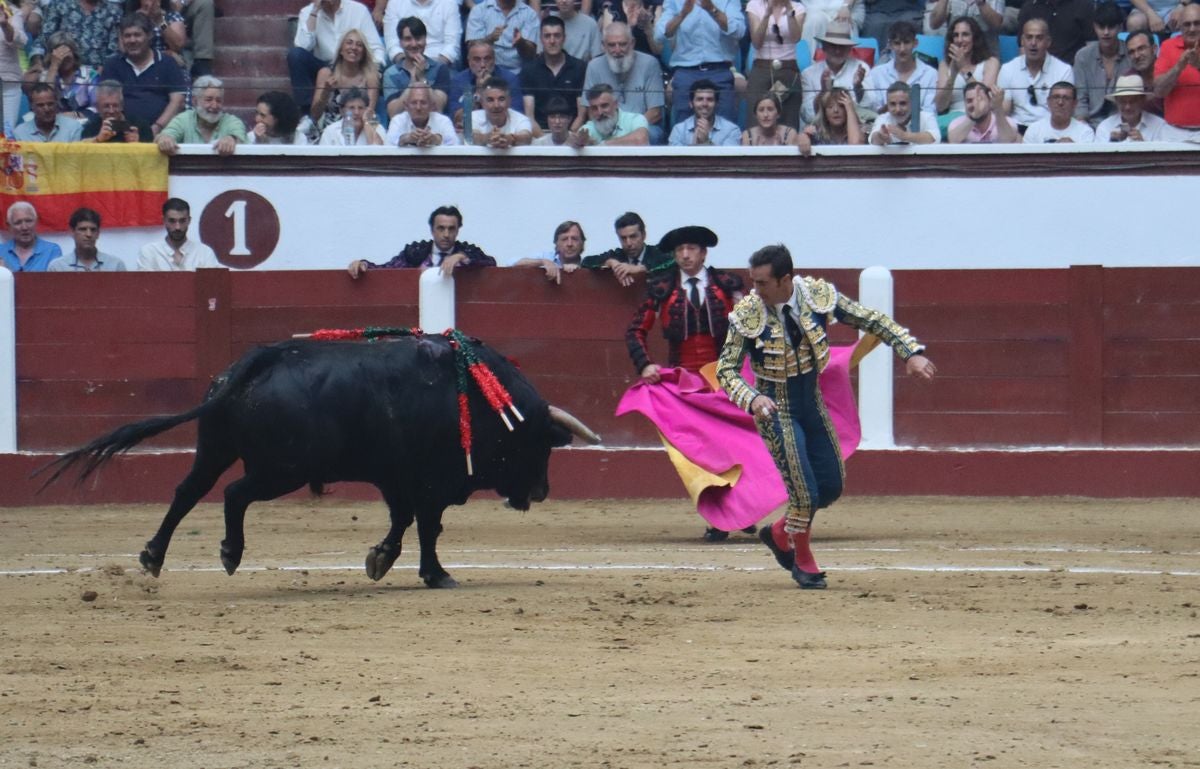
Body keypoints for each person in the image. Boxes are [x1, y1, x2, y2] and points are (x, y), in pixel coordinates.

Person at [717, 243, 935, 589]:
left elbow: (871, 319)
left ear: (785, 279)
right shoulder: (747, 314)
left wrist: (910, 352)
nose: (755, 290)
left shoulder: (816, 296)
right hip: (775, 408)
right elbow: (726, 370)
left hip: (811, 401)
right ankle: (803, 560)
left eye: (762, 283)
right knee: (804, 493)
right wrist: (752, 397)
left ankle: (779, 532)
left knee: (829, 487)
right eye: (753, 281)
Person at [624, 224, 746, 541]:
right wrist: (645, 364)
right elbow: (635, 331)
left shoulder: (728, 285)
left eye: (691, 249)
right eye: (680, 250)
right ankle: (721, 518)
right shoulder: (662, 288)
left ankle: (741, 509)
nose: (685, 254)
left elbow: (751, 328)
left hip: (725, 381)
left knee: (735, 448)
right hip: (685, 387)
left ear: (703, 253)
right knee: (701, 453)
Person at [654, 0, 746, 125]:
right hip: (686, 71)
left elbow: (739, 31)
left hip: (719, 69)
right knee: (684, 127)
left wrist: (712, 9)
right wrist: (682, 15)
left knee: (725, 125)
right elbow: (660, 35)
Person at [347, 205, 497, 278]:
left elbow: (490, 263)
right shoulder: (416, 253)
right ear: (432, 230)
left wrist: (461, 256)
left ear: (458, 231)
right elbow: (387, 270)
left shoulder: (468, 252)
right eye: (441, 228)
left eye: (451, 229)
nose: (446, 234)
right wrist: (363, 264)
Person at [288, 0, 385, 114]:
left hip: (354, 65)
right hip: (324, 66)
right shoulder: (307, 12)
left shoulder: (358, 10)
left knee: (373, 73)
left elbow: (376, 48)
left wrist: (373, 70)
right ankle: (306, 114)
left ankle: (367, 115)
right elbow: (303, 46)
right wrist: (314, 12)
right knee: (296, 55)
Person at [98, 11, 186, 134]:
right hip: (121, 133)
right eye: (127, 36)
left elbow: (178, 101)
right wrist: (127, 131)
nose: (132, 40)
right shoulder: (112, 65)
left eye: (137, 35)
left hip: (162, 133)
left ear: (149, 36)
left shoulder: (167, 63)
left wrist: (156, 128)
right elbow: (106, 103)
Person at [583, 22, 666, 144]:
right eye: (611, 45)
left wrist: (624, 135)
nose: (617, 50)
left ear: (632, 43)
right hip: (605, 127)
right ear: (603, 46)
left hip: (641, 127)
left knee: (651, 134)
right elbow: (590, 109)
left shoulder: (650, 64)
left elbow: (655, 113)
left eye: (622, 44)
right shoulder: (594, 66)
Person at [997, 17, 1073, 133]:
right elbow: (1005, 111)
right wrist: (996, 104)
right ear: (1022, 41)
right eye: (1029, 37)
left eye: (1039, 38)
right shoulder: (1008, 69)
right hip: (1017, 129)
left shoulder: (1064, 70)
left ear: (1048, 42)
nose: (1033, 43)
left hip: (1051, 128)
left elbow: (1064, 111)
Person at [520, 15, 587, 132]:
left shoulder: (579, 68)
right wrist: (543, 140)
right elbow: (529, 117)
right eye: (547, 36)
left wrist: (568, 138)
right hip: (539, 133)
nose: (552, 41)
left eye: (557, 36)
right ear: (541, 39)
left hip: (572, 133)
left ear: (564, 38)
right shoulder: (529, 70)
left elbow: (581, 116)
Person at [745, 0, 805, 130]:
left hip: (788, 69)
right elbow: (756, 42)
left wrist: (789, 11)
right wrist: (767, 14)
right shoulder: (754, 5)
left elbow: (796, 38)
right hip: (762, 68)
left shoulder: (798, 8)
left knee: (789, 122)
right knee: (755, 121)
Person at [799, 21, 871, 125]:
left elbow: (870, 108)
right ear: (824, 47)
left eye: (842, 46)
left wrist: (858, 87)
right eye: (833, 46)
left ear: (849, 49)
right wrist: (823, 92)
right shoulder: (809, 74)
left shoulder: (861, 67)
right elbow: (808, 115)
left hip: (855, 126)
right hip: (821, 129)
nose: (837, 51)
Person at [156, 74, 248, 155]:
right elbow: (164, 136)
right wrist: (165, 139)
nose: (214, 105)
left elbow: (239, 137)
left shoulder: (231, 121)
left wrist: (231, 139)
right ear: (195, 101)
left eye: (218, 100)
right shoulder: (184, 119)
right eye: (209, 100)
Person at [933, 16, 999, 127]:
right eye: (956, 35)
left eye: (965, 34)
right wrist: (952, 76)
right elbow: (940, 106)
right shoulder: (944, 65)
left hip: (981, 118)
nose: (959, 40)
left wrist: (963, 68)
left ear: (975, 38)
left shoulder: (990, 62)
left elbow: (985, 99)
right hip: (953, 120)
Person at [381, 15, 450, 120]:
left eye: (418, 38)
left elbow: (438, 108)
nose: (413, 44)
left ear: (425, 40)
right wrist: (412, 83)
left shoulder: (440, 69)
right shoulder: (390, 73)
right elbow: (393, 114)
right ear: (400, 42)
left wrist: (422, 79)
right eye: (408, 39)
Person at [312, 28, 381, 133]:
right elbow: (315, 115)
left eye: (359, 45)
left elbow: (369, 114)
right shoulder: (326, 73)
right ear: (341, 50)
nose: (354, 47)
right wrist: (325, 92)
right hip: (329, 131)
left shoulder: (370, 76)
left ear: (363, 52)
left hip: (360, 130)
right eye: (349, 43)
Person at [1072, 2, 1129, 128]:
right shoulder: (1083, 56)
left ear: (1120, 27)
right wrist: (1082, 126)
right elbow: (1080, 98)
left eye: (1111, 27)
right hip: (1089, 123)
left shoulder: (1130, 54)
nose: (1106, 32)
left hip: (1123, 121)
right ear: (1094, 27)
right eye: (1101, 27)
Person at [447, 39, 524, 131]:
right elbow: (457, 119)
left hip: (503, 130)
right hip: (469, 131)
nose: (483, 65)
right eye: (477, 59)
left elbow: (516, 115)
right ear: (469, 61)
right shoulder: (459, 81)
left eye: (487, 59)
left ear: (494, 60)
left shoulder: (509, 79)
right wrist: (479, 92)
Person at [581, 211, 673, 285]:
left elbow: (672, 261)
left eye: (633, 237)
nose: (628, 243)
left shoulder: (656, 253)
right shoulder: (617, 255)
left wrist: (642, 268)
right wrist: (610, 262)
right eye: (623, 238)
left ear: (644, 235)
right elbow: (586, 262)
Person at [864, 20, 936, 115]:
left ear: (915, 43)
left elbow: (930, 112)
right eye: (897, 43)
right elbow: (874, 112)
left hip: (920, 123)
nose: (902, 49)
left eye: (907, 42)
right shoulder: (877, 73)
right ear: (890, 45)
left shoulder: (930, 74)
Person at [31, 0, 122, 70]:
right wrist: (37, 63)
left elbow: (114, 50)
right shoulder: (59, 5)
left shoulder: (114, 11)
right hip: (61, 69)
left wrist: (105, 70)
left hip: (97, 75)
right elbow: (43, 39)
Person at [31, 30, 100, 120]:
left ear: (74, 53)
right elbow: (44, 99)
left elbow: (97, 108)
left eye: (67, 53)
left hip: (84, 123)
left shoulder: (90, 74)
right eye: (59, 55)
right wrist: (54, 66)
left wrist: (74, 115)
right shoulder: (47, 75)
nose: (63, 58)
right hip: (53, 122)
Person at [1153, 3, 1200, 131]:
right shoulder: (1167, 46)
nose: (1192, 29)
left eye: (1197, 23)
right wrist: (1178, 67)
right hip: (1174, 130)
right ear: (1180, 27)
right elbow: (1159, 91)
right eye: (1187, 24)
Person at [137, 197, 219, 271]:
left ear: (189, 220)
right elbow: (146, 282)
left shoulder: (205, 253)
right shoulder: (149, 252)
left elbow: (211, 282)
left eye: (182, 221)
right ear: (164, 220)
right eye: (172, 221)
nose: (178, 227)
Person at [464, 0, 539, 74]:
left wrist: (521, 43)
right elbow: (471, 47)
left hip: (519, 72)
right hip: (486, 70)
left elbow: (531, 55)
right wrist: (490, 39)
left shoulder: (530, 14)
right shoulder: (479, 10)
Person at [382, 0, 461, 69]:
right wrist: (408, 66)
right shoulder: (395, 3)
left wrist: (433, 69)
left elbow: (452, 45)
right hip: (405, 63)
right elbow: (392, 44)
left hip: (439, 64)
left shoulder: (449, 3)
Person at [1094, 74, 1171, 142]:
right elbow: (1099, 154)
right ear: (1116, 102)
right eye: (1122, 101)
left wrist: (1144, 145)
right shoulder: (1105, 127)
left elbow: (1164, 153)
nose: (1127, 107)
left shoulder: (1158, 126)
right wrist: (1111, 144)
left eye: (1133, 101)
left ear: (1142, 101)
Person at [47, 207, 127, 272]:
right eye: (83, 229)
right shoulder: (58, 267)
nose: (89, 234)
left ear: (98, 233)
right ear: (72, 232)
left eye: (93, 230)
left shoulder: (115, 265)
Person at [569, 82, 650, 145]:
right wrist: (579, 142)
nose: (600, 112)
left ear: (615, 104)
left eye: (604, 106)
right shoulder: (590, 127)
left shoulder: (635, 119)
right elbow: (576, 140)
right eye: (594, 108)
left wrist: (604, 145)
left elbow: (640, 140)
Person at [668, 77, 741, 145]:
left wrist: (706, 142)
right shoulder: (678, 130)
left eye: (710, 99)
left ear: (717, 104)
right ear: (691, 104)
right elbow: (675, 155)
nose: (705, 104)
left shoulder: (731, 130)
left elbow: (729, 155)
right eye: (700, 99)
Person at [1016, 0, 1095, 63]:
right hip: (1038, 71)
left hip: (1073, 71)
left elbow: (1092, 47)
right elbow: (1023, 48)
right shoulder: (1029, 7)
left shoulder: (1084, 6)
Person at [511, 220, 586, 283]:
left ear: (582, 243)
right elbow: (513, 264)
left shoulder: (588, 265)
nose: (569, 244)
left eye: (574, 239)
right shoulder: (546, 257)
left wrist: (578, 271)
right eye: (564, 239)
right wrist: (543, 262)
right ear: (556, 244)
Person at [386, 81, 459, 145]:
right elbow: (388, 146)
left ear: (432, 106)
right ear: (406, 106)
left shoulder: (443, 121)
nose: (418, 107)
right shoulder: (397, 121)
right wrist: (405, 139)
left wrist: (437, 140)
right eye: (414, 103)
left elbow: (456, 146)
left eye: (423, 103)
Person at [947, 79, 1020, 142]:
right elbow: (953, 140)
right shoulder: (956, 123)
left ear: (989, 100)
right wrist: (974, 118)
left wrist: (998, 107)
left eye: (980, 99)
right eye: (969, 100)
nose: (975, 104)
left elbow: (1009, 140)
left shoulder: (1007, 122)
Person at [868, 80, 940, 143]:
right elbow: (873, 139)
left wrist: (904, 136)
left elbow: (934, 138)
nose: (898, 109)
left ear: (912, 103)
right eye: (893, 104)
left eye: (903, 103)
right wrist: (881, 137)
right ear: (887, 105)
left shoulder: (927, 117)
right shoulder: (883, 118)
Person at [1022, 80, 1095, 142]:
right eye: (1056, 97)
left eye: (1066, 98)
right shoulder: (1034, 130)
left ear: (1074, 104)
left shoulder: (1085, 132)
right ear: (1048, 102)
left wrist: (1073, 147)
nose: (1060, 102)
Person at [81, 80, 153, 142]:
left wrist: (138, 143)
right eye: (106, 106)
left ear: (122, 105)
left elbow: (151, 151)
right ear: (97, 107)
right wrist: (98, 139)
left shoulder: (141, 126)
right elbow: (82, 150)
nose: (111, 111)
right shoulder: (90, 128)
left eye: (115, 105)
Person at [471, 76, 533, 147]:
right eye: (490, 100)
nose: (496, 105)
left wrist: (510, 139)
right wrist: (488, 138)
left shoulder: (521, 119)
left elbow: (526, 138)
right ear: (482, 102)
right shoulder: (472, 117)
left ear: (509, 101)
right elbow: (472, 137)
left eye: (501, 99)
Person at [12, 82, 84, 141]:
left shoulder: (73, 128)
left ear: (56, 103)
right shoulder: (20, 133)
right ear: (32, 107)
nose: (47, 109)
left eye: (50, 104)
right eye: (40, 105)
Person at [1, 202, 61, 273]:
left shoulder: (52, 251)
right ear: (9, 226)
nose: (24, 227)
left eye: (28, 221)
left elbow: (56, 279)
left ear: (36, 222)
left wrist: (7, 272)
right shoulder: (1, 251)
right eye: (18, 223)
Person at [801, 87, 866, 148]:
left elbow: (855, 145)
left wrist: (850, 108)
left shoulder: (862, 130)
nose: (835, 110)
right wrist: (804, 136)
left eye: (841, 106)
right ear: (824, 113)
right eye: (830, 106)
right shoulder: (816, 133)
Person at [318, 86, 386, 144]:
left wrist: (367, 124)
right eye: (351, 108)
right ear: (341, 111)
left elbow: (381, 153)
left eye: (360, 108)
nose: (356, 112)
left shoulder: (377, 128)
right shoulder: (330, 131)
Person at [925, 0, 1005, 48]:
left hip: (986, 54)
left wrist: (982, 4)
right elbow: (934, 24)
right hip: (956, 54)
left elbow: (997, 23)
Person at [598, 0, 663, 57]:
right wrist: (630, 27)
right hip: (619, 58)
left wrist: (647, 26)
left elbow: (658, 51)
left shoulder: (653, 8)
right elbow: (606, 48)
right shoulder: (611, 9)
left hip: (647, 58)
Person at [0, 1, 28, 130]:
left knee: (7, 132)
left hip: (8, 83)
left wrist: (5, 25)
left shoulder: (11, 11)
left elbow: (22, 41)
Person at [1125, 31, 1162, 116]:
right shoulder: (1128, 78)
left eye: (1141, 49)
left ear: (1154, 49)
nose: (1136, 56)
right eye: (1131, 52)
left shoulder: (1169, 71)